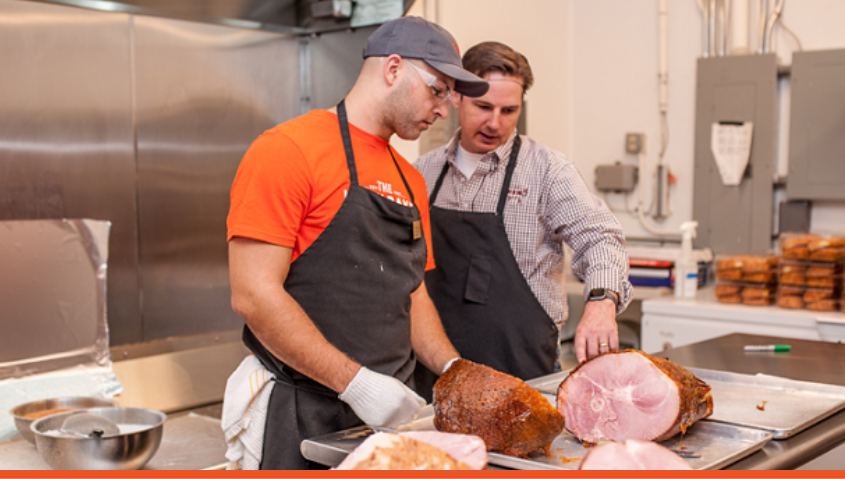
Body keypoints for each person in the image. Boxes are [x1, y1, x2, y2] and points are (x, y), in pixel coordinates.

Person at [224, 17, 487, 470]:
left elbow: (412, 291)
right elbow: (254, 295)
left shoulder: (409, 179)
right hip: (303, 410)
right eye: (438, 89)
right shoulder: (287, 150)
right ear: (393, 69)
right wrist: (358, 385)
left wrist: (454, 370)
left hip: (387, 417)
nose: (445, 109)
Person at [414, 41, 634, 398]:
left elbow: (601, 238)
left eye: (509, 110)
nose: (495, 122)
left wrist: (601, 300)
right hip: (433, 378)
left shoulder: (548, 171)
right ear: (456, 98)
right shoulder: (422, 173)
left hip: (522, 376)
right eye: (483, 107)